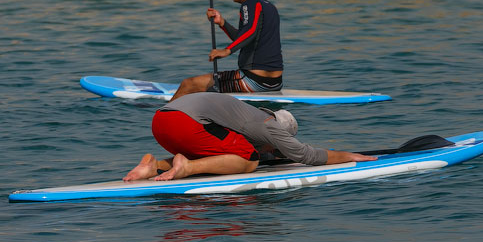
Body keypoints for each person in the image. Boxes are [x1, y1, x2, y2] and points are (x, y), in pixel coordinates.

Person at [123, 92, 376, 182]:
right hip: (183, 122)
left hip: (161, 119)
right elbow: (305, 155)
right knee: (249, 160)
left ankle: (153, 167)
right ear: (280, 132)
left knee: (217, 153)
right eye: (278, 146)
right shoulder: (268, 125)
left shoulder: (241, 113)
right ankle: (186, 167)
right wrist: (348, 156)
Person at [169, 0, 283, 101]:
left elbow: (250, 32)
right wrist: (222, 23)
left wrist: (227, 51)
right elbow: (245, 38)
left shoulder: (249, 5)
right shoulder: (269, 6)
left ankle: (163, 116)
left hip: (253, 81)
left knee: (188, 84)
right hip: (275, 83)